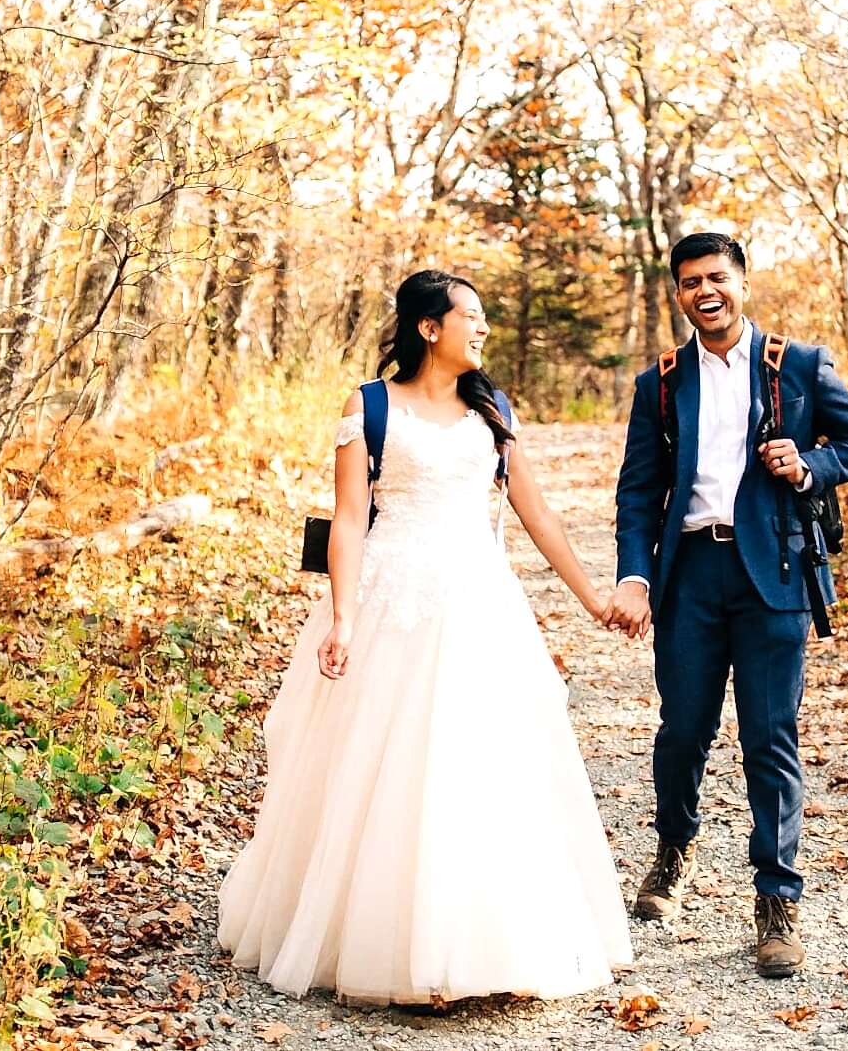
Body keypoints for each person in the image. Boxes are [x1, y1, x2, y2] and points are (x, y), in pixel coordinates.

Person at [217, 269, 635, 1007]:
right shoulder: (371, 406)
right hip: (391, 601)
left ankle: (486, 943)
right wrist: (342, 616)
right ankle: (376, 940)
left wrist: (593, 597)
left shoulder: (493, 408)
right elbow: (349, 519)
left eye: (485, 318)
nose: (483, 329)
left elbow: (536, 513)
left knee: (481, 765)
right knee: (382, 767)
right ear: (428, 328)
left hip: (479, 605)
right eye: (470, 316)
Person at [602, 233, 848, 979]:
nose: (705, 292)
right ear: (678, 293)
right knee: (683, 732)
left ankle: (777, 901)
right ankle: (674, 850)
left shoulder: (798, 365)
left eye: (717, 278)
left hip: (776, 575)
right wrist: (635, 575)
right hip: (691, 573)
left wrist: (809, 465)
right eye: (690, 282)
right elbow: (638, 492)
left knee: (770, 740)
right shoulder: (659, 384)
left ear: (743, 284)